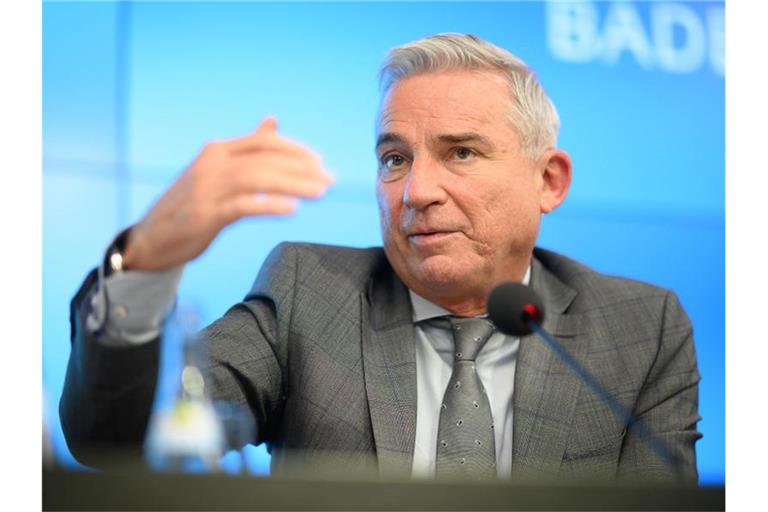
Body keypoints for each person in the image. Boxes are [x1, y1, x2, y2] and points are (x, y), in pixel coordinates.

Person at [60, 33, 701, 482]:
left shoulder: (639, 328)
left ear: (549, 181)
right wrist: (144, 264)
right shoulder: (309, 291)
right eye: (395, 158)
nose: (417, 192)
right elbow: (114, 440)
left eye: (462, 153)